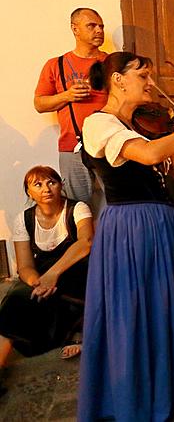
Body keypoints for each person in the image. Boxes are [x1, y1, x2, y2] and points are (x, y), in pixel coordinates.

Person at [77, 52, 174, 421]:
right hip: (131, 227)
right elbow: (146, 155)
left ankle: (170, 384)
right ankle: (136, 395)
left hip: (158, 225)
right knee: (138, 307)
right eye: (143, 75)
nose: (151, 82)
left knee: (165, 303)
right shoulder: (98, 123)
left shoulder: (137, 126)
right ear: (118, 80)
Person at [0, 166, 92, 395]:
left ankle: (79, 334)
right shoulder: (24, 218)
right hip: (41, 276)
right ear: (29, 192)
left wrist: (53, 275)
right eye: (37, 185)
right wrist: (37, 283)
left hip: (76, 268)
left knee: (65, 298)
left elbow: (86, 242)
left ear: (61, 185)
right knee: (16, 299)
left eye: (51, 182)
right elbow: (24, 266)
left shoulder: (77, 209)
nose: (46, 189)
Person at [34, 8, 107, 210]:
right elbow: (39, 104)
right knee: (79, 210)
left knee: (119, 205)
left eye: (101, 26)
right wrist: (67, 95)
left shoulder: (112, 63)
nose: (99, 30)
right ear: (75, 29)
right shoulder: (55, 65)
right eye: (91, 26)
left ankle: (117, 242)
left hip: (108, 144)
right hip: (72, 145)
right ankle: (84, 242)